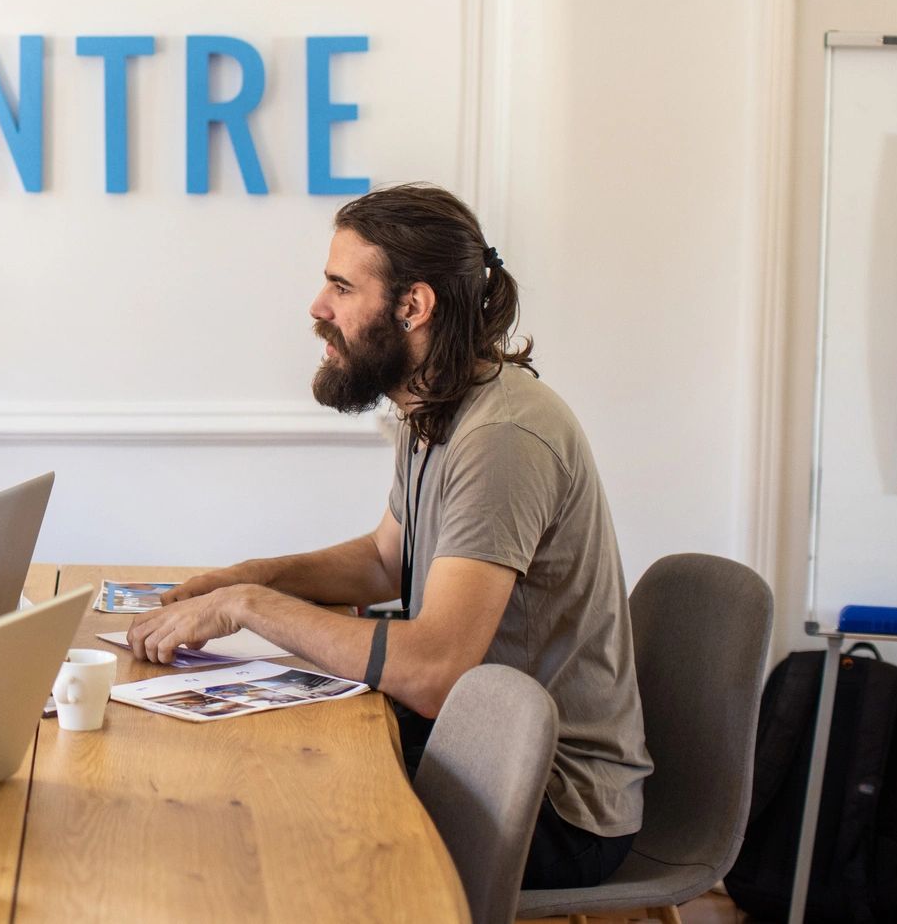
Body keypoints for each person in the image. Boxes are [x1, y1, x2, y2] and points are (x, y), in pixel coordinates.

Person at [125, 183, 650, 890]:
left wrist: (253, 607)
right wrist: (249, 577)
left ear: (413, 306)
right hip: (476, 743)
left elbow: (434, 673)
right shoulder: (435, 405)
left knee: (260, 816)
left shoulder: (502, 437)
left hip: (549, 800)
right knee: (244, 766)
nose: (319, 308)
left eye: (342, 286)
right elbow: (385, 560)